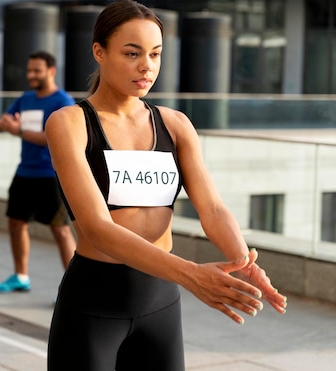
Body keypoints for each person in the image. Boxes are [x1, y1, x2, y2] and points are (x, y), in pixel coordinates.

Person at [45, 1, 288, 369]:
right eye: (132, 53)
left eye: (156, 54)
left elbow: (213, 207)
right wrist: (191, 274)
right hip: (93, 304)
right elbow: (98, 228)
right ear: (99, 51)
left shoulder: (175, 124)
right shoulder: (70, 124)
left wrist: (242, 260)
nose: (147, 66)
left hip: (159, 303)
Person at [0, 51, 77, 293]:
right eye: (29, 70)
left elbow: (54, 139)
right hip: (24, 173)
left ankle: (74, 289)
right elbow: (1, 122)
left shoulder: (63, 102)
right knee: (16, 224)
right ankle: (20, 276)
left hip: (51, 176)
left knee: (60, 230)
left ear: (51, 71)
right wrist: (3, 124)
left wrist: (18, 131)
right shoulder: (26, 98)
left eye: (36, 70)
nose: (31, 75)